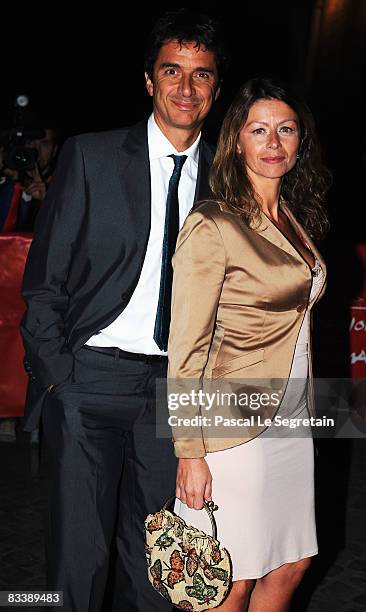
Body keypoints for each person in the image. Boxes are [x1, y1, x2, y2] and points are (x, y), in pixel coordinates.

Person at [20, 9, 226, 611]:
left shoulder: (228, 178)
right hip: (89, 379)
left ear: (215, 87)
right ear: (148, 81)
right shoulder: (91, 157)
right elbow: (44, 282)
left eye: (201, 75)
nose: (186, 88)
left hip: (175, 390)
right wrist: (61, 377)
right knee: (79, 562)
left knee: (157, 564)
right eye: (172, 71)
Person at [168, 77, 331, 611]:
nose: (273, 142)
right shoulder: (213, 223)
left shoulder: (293, 220)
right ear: (237, 139)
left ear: (300, 141)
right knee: (230, 575)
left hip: (292, 417)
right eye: (259, 130)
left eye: (286, 130)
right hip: (232, 424)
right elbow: (186, 349)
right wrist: (189, 451)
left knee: (291, 562)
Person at [0, 127, 58, 232]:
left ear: (54, 150)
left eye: (44, 143)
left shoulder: (64, 185)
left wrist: (46, 201)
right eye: (30, 142)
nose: (36, 150)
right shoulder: (5, 178)